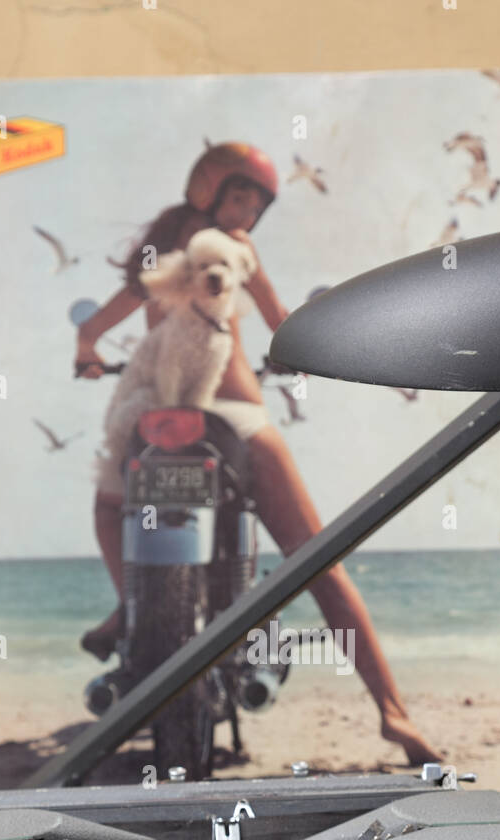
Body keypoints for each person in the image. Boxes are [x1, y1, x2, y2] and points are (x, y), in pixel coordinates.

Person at [75, 141, 440, 766]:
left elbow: (96, 325)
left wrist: (87, 352)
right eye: (238, 196)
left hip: (157, 420)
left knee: (109, 508)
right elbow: (283, 322)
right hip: (237, 418)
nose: (245, 210)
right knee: (317, 558)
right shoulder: (236, 253)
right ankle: (394, 715)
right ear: (210, 191)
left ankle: (127, 605)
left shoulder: (161, 251)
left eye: (254, 201)